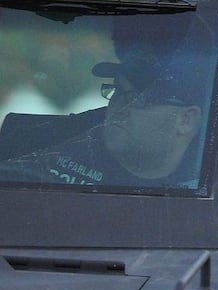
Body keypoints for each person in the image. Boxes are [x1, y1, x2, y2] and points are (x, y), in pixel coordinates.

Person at [4, 47, 207, 189]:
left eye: (139, 99)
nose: (120, 106)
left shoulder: (213, 182)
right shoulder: (50, 151)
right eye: (118, 90)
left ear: (186, 120)